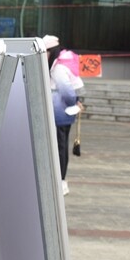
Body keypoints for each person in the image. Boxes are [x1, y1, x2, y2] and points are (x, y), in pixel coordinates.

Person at [43, 34, 84, 196]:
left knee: (59, 147)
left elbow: (66, 90)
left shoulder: (58, 68)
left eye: (45, 52)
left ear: (51, 51)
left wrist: (73, 101)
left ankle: (60, 181)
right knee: (61, 146)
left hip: (60, 112)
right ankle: (59, 180)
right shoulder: (62, 63)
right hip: (64, 112)